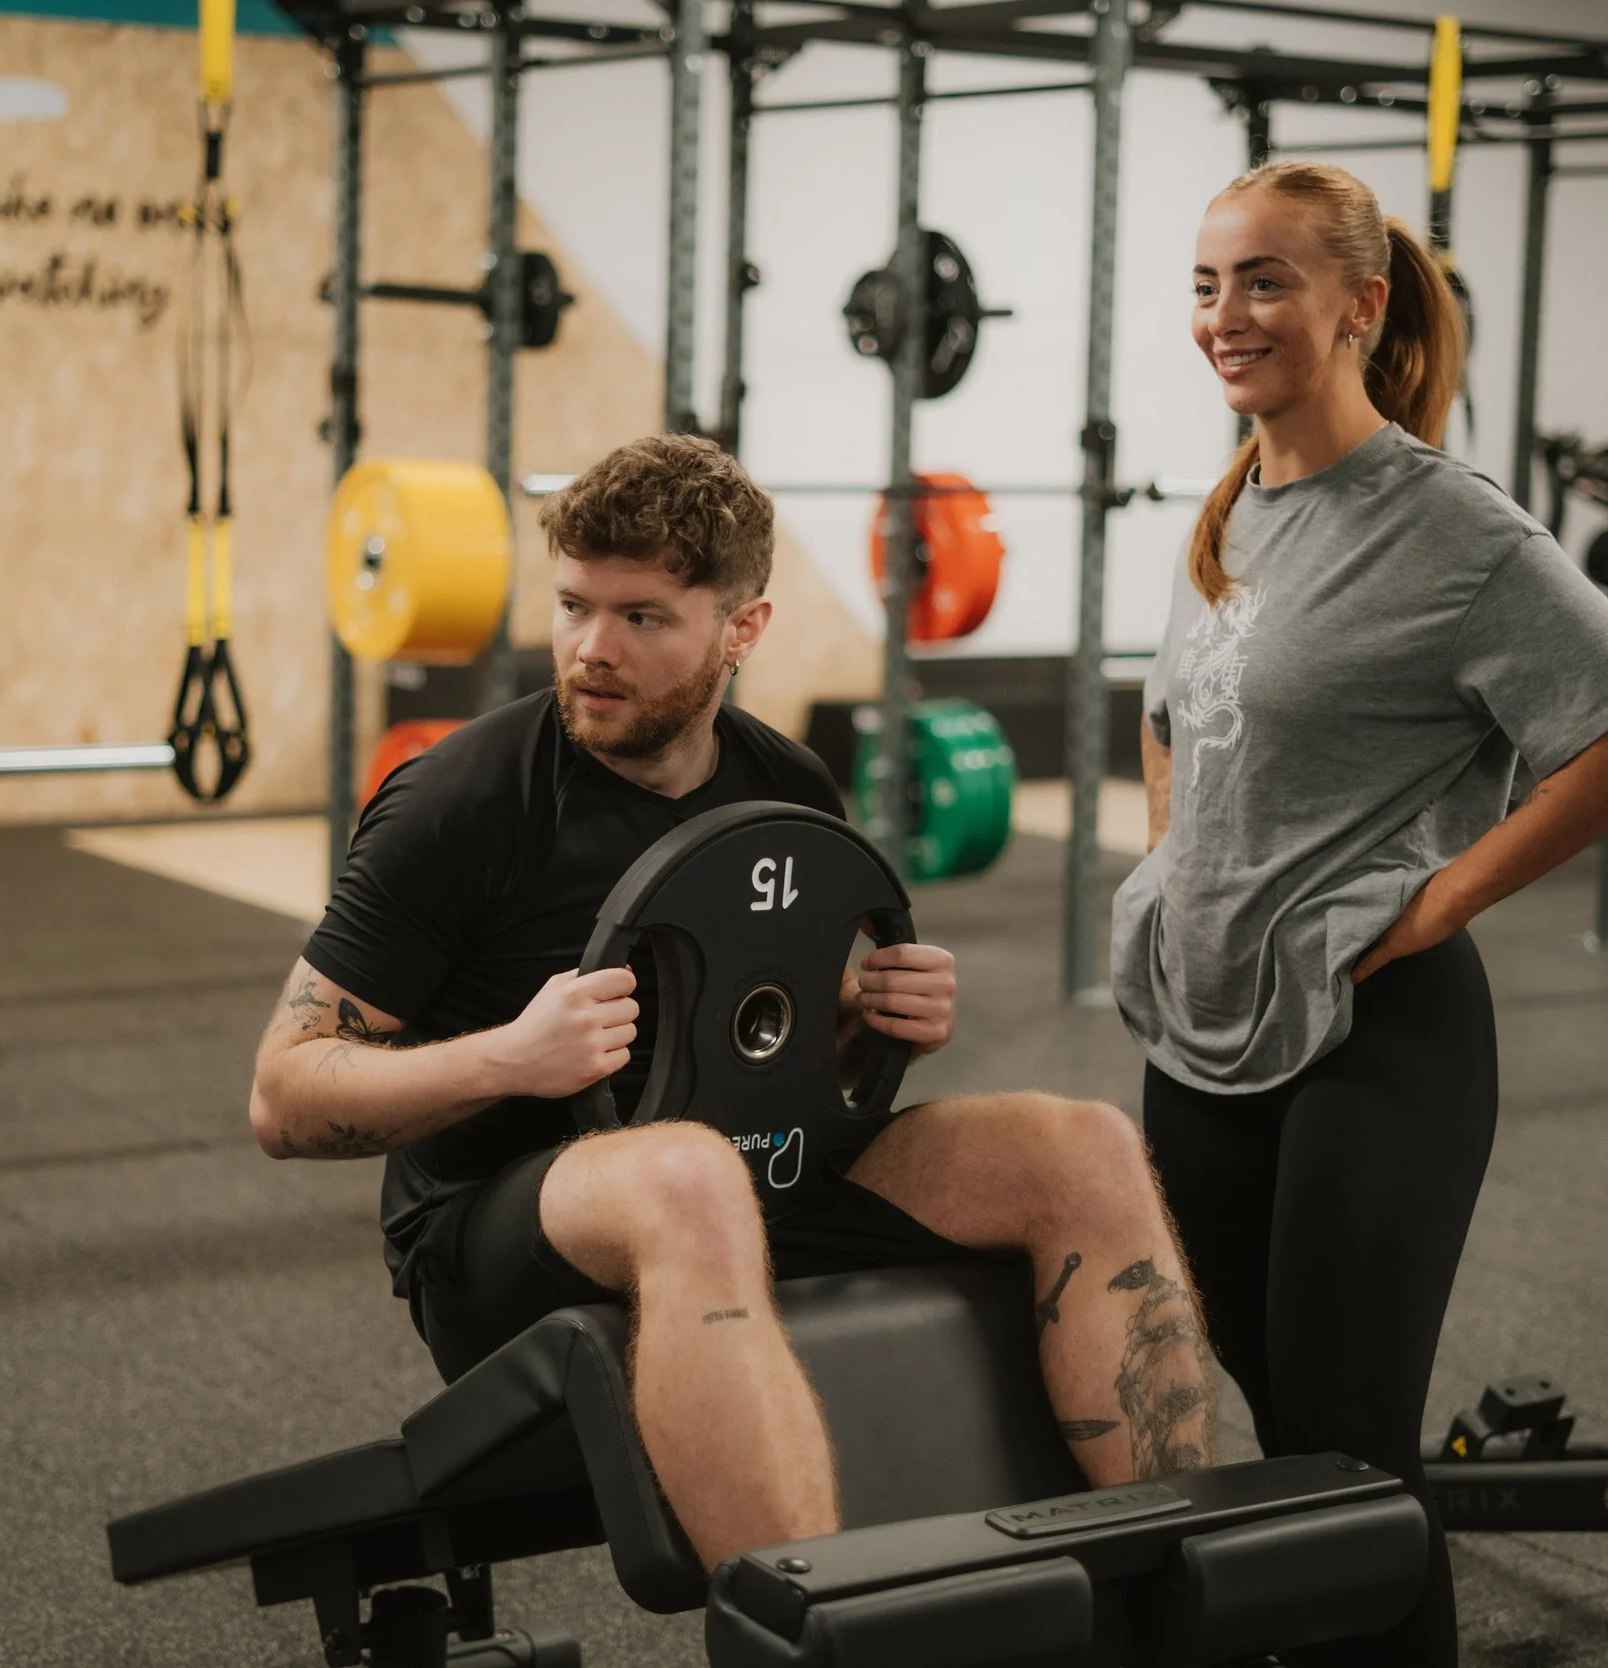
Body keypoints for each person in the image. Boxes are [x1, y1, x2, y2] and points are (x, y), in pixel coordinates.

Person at [252, 434, 1216, 1571]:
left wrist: (866, 1021)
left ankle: (1175, 1584)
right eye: (572, 607)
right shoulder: (459, 803)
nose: (590, 651)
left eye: (643, 618)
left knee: (1084, 1145)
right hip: (497, 1231)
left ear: (741, 630)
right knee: (685, 1168)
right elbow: (285, 1094)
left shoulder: (786, 789)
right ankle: (820, 1632)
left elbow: (775, 1042)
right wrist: (509, 1058)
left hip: (756, 1176)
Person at [1112, 162, 1608, 1667]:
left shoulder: (1450, 528)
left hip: (1378, 1030)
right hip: (1206, 1025)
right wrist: (1167, 867)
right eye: (1205, 283)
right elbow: (1171, 713)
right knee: (1281, 1423)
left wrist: (1439, 901)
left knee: (1351, 1448)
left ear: (1361, 307)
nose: (1224, 316)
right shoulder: (1232, 505)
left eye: (1264, 281)